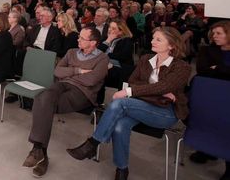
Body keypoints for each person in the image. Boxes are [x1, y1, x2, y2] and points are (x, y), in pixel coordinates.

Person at [67, 27, 191, 180]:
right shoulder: (146, 59)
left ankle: (93, 143)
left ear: (171, 45)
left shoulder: (182, 67)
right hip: (140, 106)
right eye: (153, 38)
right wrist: (155, 90)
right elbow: (133, 81)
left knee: (120, 102)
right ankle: (122, 170)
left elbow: (164, 86)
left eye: (158, 39)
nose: (152, 41)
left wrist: (132, 91)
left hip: (166, 113)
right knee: (119, 127)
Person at [22, 26, 109, 177]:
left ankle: (40, 153)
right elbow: (57, 71)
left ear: (93, 42)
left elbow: (92, 80)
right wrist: (78, 71)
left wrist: (68, 73)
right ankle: (39, 150)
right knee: (43, 97)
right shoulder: (71, 52)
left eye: (82, 38)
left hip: (82, 93)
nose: (78, 39)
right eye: (79, 37)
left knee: (43, 103)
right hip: (61, 85)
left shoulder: (102, 58)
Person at [188, 20, 230, 177]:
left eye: (219, 33)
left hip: (226, 98)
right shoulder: (208, 50)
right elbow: (202, 70)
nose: (215, 36)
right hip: (209, 95)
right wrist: (221, 70)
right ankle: (206, 149)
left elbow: (214, 70)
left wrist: (217, 69)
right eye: (213, 33)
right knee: (207, 120)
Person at [96, 19, 134, 105]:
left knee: (100, 73)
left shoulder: (126, 41)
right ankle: (96, 102)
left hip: (120, 69)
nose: (110, 30)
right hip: (106, 67)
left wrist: (105, 57)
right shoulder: (106, 39)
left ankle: (98, 102)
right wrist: (108, 40)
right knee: (97, 72)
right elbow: (96, 53)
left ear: (121, 31)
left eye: (113, 28)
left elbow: (122, 56)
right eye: (109, 27)